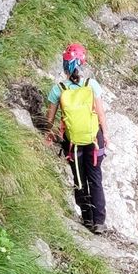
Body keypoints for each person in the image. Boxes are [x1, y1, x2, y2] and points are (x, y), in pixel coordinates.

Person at [45, 44, 108, 234]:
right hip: (94, 139)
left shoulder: (59, 89)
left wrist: (48, 134)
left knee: (79, 179)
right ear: (83, 63)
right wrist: (106, 134)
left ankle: (87, 217)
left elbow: (49, 120)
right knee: (95, 178)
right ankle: (99, 222)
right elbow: (100, 113)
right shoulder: (92, 85)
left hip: (72, 143)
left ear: (65, 66)